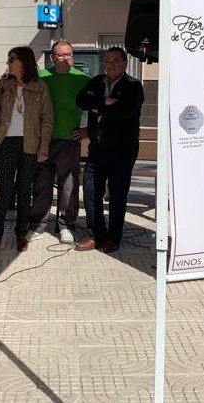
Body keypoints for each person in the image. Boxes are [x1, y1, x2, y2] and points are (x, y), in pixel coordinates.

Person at [75, 47, 144, 253]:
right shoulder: (96, 81)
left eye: (115, 60)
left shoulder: (133, 86)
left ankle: (113, 238)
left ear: (124, 63)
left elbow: (125, 111)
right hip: (97, 149)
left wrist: (97, 106)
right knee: (90, 192)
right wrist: (105, 102)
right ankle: (96, 234)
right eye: (107, 60)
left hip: (121, 151)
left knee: (117, 195)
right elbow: (81, 101)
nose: (110, 64)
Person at [0, 46, 53, 255]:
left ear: (23, 61)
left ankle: (20, 234)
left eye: (11, 59)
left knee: (25, 191)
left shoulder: (39, 87)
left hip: (29, 144)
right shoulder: (4, 84)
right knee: (4, 190)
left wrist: (43, 148)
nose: (8, 62)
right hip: (5, 143)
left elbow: (47, 119)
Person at [27, 40, 89, 245]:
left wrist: (88, 130)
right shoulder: (41, 77)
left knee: (69, 186)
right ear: (52, 58)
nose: (65, 58)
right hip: (43, 140)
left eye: (69, 54)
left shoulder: (83, 80)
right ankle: (37, 225)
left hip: (69, 140)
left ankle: (66, 226)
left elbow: (97, 108)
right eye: (60, 55)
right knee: (41, 184)